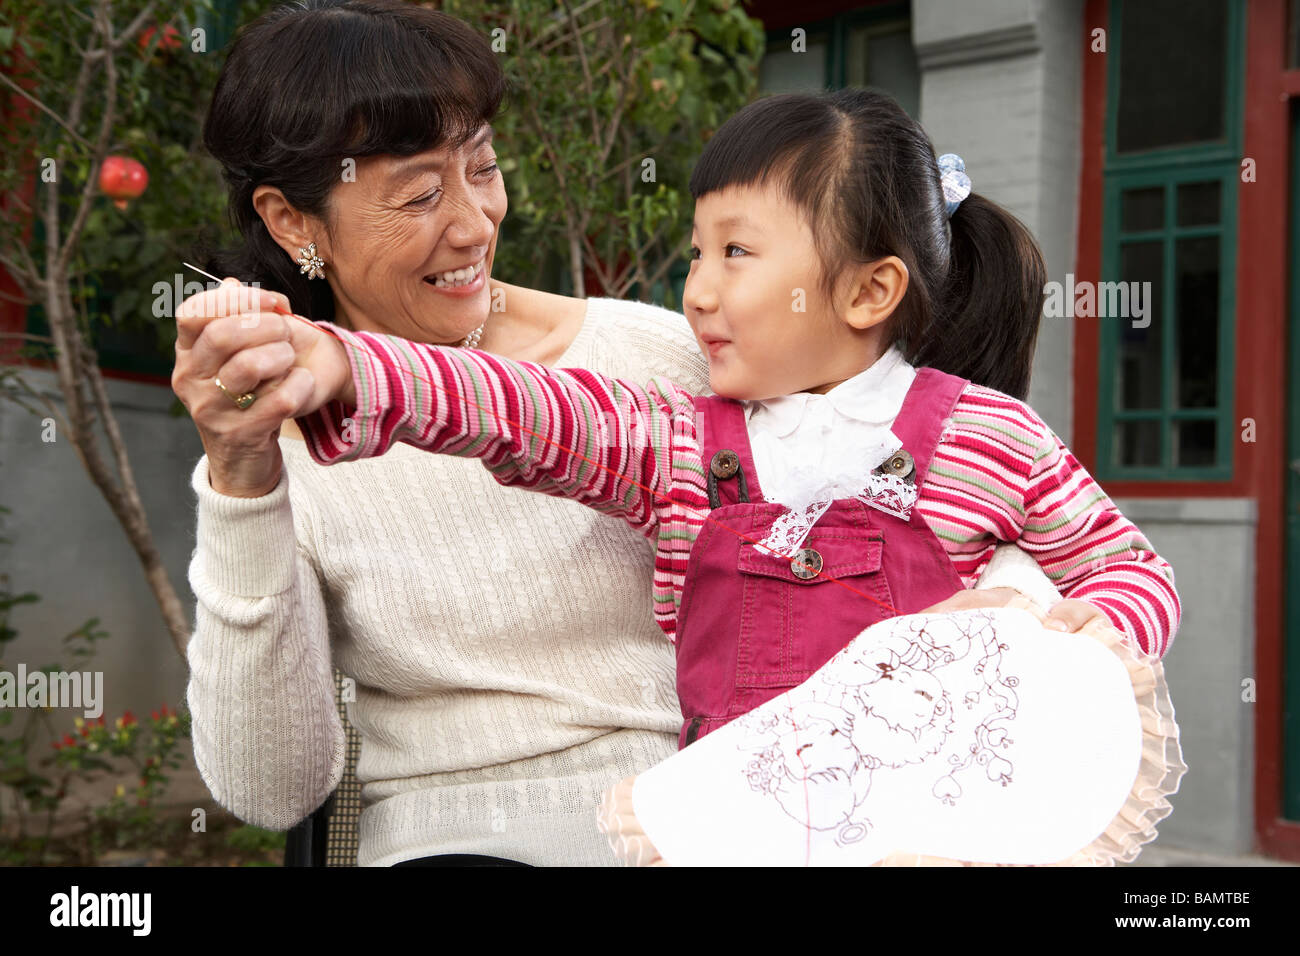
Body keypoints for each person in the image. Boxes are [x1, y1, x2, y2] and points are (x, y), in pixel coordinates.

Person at [171, 1, 1060, 866]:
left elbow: (928, 507)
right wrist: (242, 482)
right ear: (292, 221)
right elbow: (269, 791)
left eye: (482, 168)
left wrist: (1017, 615)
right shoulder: (278, 447)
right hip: (464, 842)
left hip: (736, 815)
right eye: (419, 195)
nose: (476, 223)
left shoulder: (664, 359)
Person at [210, 89, 1181, 762]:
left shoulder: (989, 437)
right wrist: (345, 362)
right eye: (697, 250)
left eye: (737, 251)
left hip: (934, 828)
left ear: (869, 288)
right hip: (730, 826)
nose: (699, 289)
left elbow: (1128, 566)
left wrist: (1088, 634)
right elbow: (522, 410)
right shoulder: (675, 444)